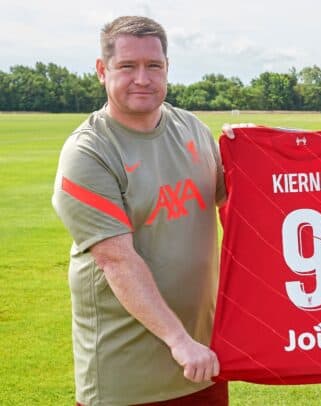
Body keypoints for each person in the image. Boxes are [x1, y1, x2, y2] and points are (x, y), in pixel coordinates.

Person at [52, 16, 227, 405]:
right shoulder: (88, 152)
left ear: (168, 68)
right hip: (127, 378)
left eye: (154, 66)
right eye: (127, 66)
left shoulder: (194, 130)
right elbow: (117, 261)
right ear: (102, 70)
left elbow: (242, 209)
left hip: (205, 364)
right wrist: (180, 342)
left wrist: (254, 150)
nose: (142, 79)